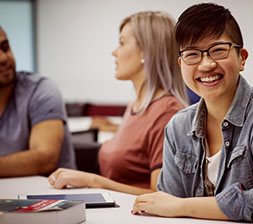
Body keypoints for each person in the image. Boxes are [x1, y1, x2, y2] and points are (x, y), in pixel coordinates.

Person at [132, 3, 253, 223]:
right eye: (192, 54)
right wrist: (174, 206)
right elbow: (166, 208)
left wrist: (183, 206)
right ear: (180, 64)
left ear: (242, 58)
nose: (206, 64)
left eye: (218, 50)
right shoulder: (178, 126)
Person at [48, 11, 188, 195]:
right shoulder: (134, 107)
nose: (114, 51)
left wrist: (92, 181)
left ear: (146, 51)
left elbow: (161, 196)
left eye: (122, 43)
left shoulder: (167, 113)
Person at [0, 27, 76, 177]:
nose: (3, 58)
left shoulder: (41, 89)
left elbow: (45, 159)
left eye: (5, 48)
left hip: (51, 195)